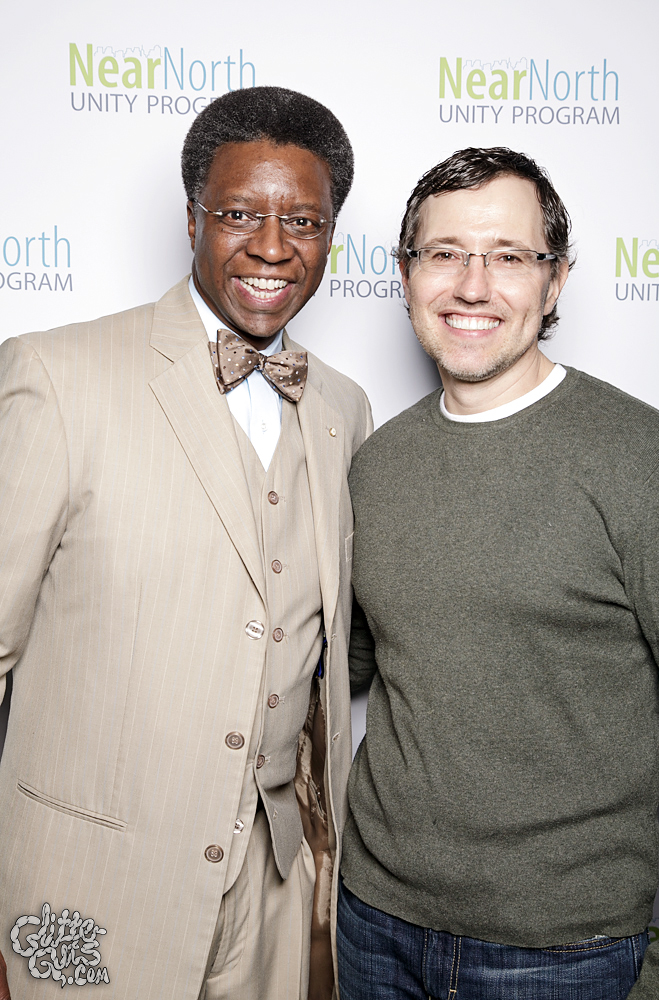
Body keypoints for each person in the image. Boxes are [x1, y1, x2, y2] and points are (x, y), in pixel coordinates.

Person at [0, 85, 371, 1000]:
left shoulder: (343, 408)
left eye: (303, 221)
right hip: (85, 887)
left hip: (276, 892)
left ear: (331, 235)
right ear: (194, 218)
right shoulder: (56, 375)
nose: (273, 247)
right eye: (240, 213)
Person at [338, 146, 659, 999]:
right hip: (372, 921)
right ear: (404, 274)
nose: (472, 286)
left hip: (566, 951)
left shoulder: (643, 460)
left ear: (554, 282)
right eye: (444, 253)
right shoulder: (376, 464)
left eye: (509, 257)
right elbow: (350, 666)